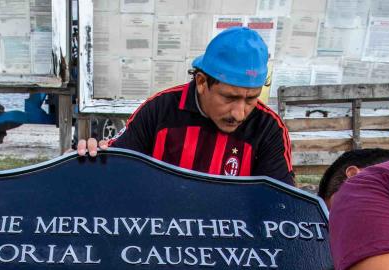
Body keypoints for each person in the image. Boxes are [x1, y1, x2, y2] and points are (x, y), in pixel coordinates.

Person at [78, 27, 294, 186]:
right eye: (229, 98)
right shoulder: (159, 110)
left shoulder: (269, 129)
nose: (239, 113)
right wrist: (82, 161)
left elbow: (281, 205)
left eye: (251, 99)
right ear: (201, 82)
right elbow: (117, 166)